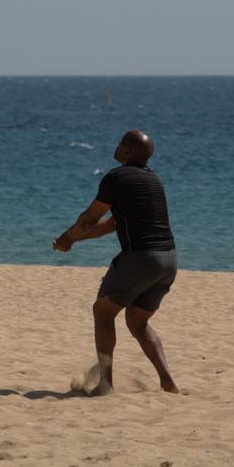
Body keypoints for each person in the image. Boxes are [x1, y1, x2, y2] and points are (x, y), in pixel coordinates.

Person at [53, 130, 179, 395]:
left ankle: (106, 384)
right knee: (137, 322)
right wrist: (74, 241)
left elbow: (89, 218)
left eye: (120, 143)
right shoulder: (153, 179)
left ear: (128, 151)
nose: (116, 146)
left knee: (103, 312)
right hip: (168, 260)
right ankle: (168, 382)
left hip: (141, 258)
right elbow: (112, 223)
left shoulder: (117, 177)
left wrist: (67, 236)